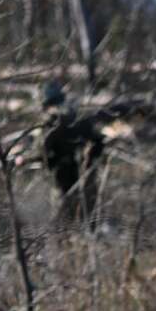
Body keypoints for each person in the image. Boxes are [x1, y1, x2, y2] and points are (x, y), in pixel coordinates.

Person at [37, 80, 106, 223]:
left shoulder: (52, 120)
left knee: (64, 215)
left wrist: (47, 163)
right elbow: (98, 140)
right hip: (83, 171)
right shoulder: (76, 114)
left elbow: (45, 151)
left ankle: (67, 238)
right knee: (85, 214)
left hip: (66, 173)